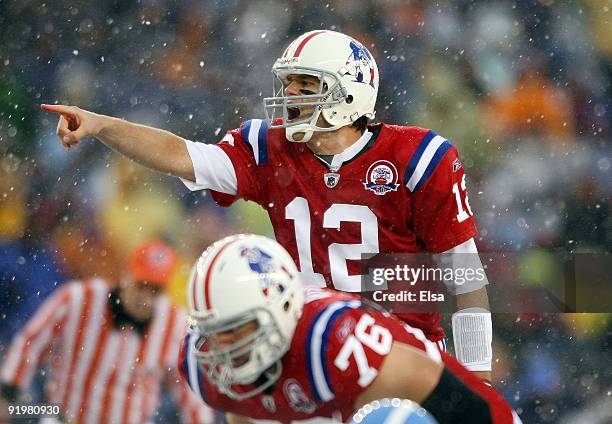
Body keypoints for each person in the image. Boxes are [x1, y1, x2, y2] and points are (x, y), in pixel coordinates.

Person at [41, 30, 494, 381]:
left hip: (401, 354)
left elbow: (465, 275)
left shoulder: (418, 159)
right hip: (310, 349)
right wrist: (103, 126)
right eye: (288, 83)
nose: (291, 96)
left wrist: (477, 375)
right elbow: (181, 154)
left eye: (306, 84)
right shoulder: (268, 148)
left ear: (349, 92)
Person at [178, 234, 520, 423]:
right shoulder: (202, 364)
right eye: (213, 329)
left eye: (237, 328)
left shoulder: (332, 342)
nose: (221, 345)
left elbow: (457, 405)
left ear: (281, 308)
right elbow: (247, 408)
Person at [0, 240, 213, 424]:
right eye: (141, 286)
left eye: (155, 291)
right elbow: (31, 343)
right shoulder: (79, 299)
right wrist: (7, 392)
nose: (145, 299)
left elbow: (191, 392)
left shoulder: (176, 325)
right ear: (125, 275)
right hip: (65, 417)